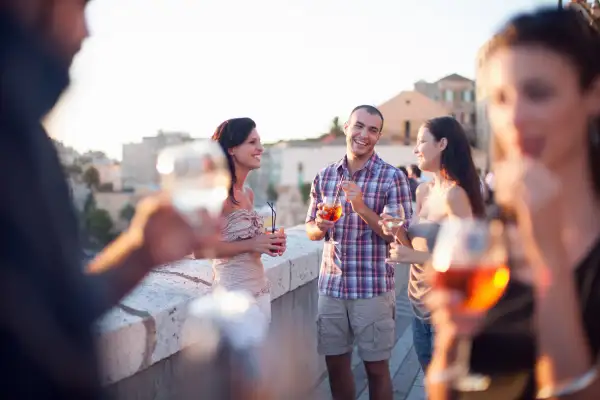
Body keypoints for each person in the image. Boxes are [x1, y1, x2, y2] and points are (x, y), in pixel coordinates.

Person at [0, 2, 219, 398]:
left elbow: (53, 314)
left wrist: (139, 251)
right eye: (78, 6)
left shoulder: (25, 137)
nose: (86, 32)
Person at [426, 7, 600, 399]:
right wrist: (452, 338)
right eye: (501, 99)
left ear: (593, 94)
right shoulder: (487, 239)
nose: (515, 119)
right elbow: (445, 390)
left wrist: (549, 260)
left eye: (538, 93)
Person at [306, 105, 413, 400]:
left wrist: (362, 208)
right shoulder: (325, 176)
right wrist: (320, 225)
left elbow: (399, 236)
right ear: (346, 128)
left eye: (372, 130)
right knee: (336, 367)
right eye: (359, 126)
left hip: (373, 289)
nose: (364, 135)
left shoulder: (392, 178)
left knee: (376, 370)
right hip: (331, 287)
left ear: (378, 136)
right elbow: (311, 231)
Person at [381, 116, 485, 373]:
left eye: (421, 142)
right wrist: (397, 231)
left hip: (446, 312)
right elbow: (416, 248)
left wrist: (412, 256)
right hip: (417, 306)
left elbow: (469, 260)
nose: (415, 150)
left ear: (442, 144)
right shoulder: (423, 192)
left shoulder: (456, 195)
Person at [203, 118, 286, 322]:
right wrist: (253, 243)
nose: (260, 149)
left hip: (260, 293)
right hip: (233, 299)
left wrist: (268, 242)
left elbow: (244, 244)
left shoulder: (247, 194)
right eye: (252, 143)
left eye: (259, 142)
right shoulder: (216, 193)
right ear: (232, 149)